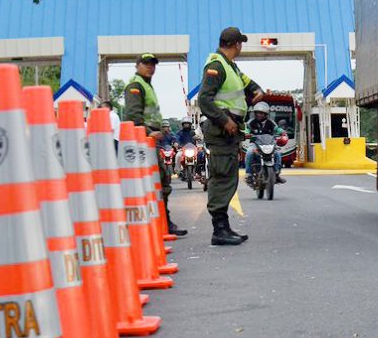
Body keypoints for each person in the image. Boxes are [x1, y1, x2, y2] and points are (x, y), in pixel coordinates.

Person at [198, 26, 264, 246]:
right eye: (241, 43)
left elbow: (249, 84)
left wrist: (256, 91)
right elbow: (205, 100)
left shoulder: (232, 68)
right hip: (221, 130)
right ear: (236, 44)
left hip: (230, 132)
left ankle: (224, 227)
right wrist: (224, 120)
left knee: (228, 178)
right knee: (221, 178)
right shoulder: (216, 66)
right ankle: (219, 229)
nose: (241, 47)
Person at [122, 53, 186, 236]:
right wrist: (150, 132)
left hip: (149, 140)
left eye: (153, 64)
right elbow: (133, 117)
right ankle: (161, 223)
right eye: (146, 64)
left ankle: (161, 222)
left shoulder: (146, 85)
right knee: (159, 181)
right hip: (144, 140)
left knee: (159, 181)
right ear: (137, 65)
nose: (150, 67)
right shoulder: (136, 85)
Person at [244, 101, 285, 185]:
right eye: (258, 113)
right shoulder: (251, 122)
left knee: (277, 153)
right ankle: (249, 174)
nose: (260, 115)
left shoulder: (271, 122)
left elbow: (277, 129)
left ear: (266, 114)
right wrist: (246, 133)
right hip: (255, 144)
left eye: (262, 113)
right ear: (255, 113)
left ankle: (276, 173)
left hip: (269, 144)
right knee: (249, 152)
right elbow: (246, 129)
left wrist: (282, 132)